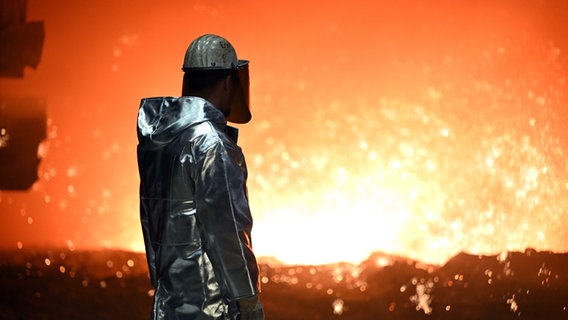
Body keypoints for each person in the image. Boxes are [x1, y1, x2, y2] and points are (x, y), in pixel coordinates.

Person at [137, 34, 264, 320]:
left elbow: (150, 217)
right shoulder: (210, 143)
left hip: (170, 302)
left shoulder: (161, 140)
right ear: (229, 81)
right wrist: (247, 299)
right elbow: (227, 228)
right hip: (211, 305)